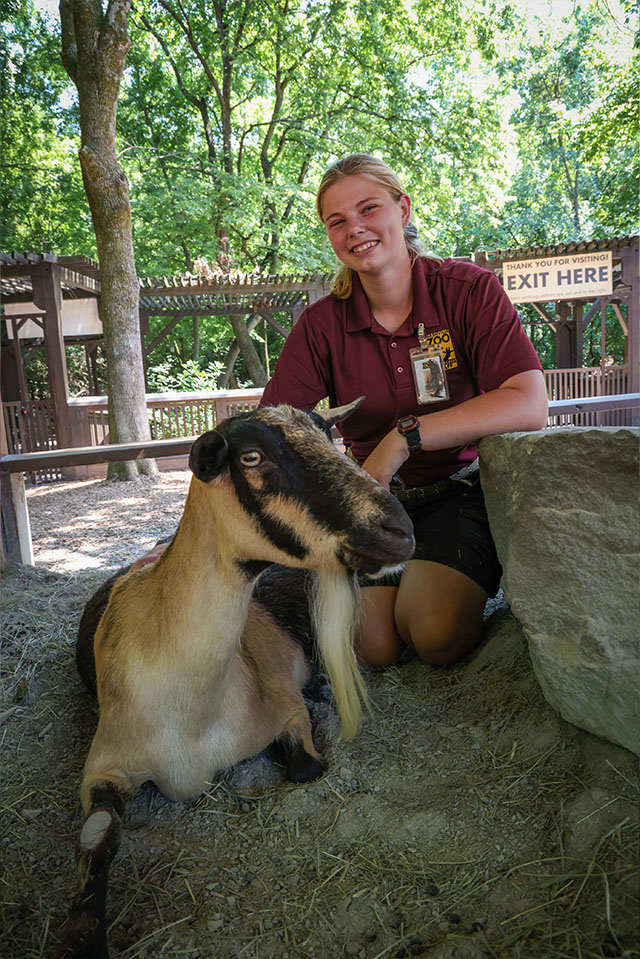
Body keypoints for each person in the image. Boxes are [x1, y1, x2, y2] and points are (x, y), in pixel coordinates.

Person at [260, 153, 549, 669]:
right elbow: (269, 431)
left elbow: (529, 403)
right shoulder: (322, 323)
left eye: (369, 208)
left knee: (435, 634)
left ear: (404, 210)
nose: (356, 229)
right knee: (372, 649)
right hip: (370, 499)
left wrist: (403, 438)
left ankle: (443, 578)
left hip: (460, 491)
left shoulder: (470, 290)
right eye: (337, 221)